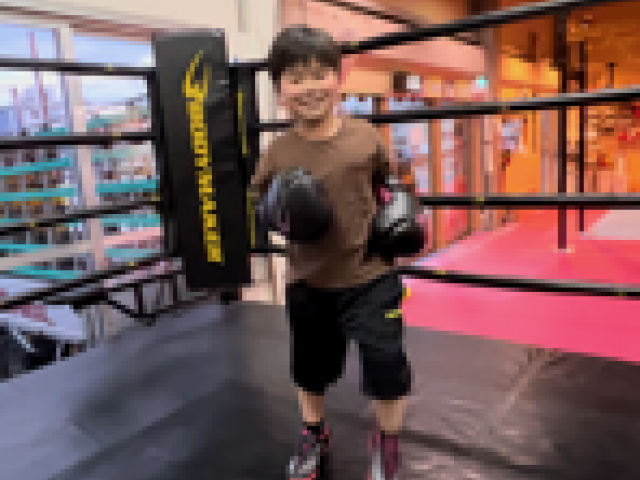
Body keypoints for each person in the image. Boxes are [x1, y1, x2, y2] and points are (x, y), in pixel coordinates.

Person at [251, 26, 412, 480]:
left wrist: (400, 215)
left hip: (370, 276)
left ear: (338, 79)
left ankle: (387, 442)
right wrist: (278, 210)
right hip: (310, 280)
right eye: (296, 78)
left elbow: (387, 184)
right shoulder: (278, 153)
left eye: (320, 74)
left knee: (387, 366)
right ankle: (315, 433)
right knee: (310, 370)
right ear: (280, 89)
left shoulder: (365, 137)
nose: (310, 87)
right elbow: (258, 201)